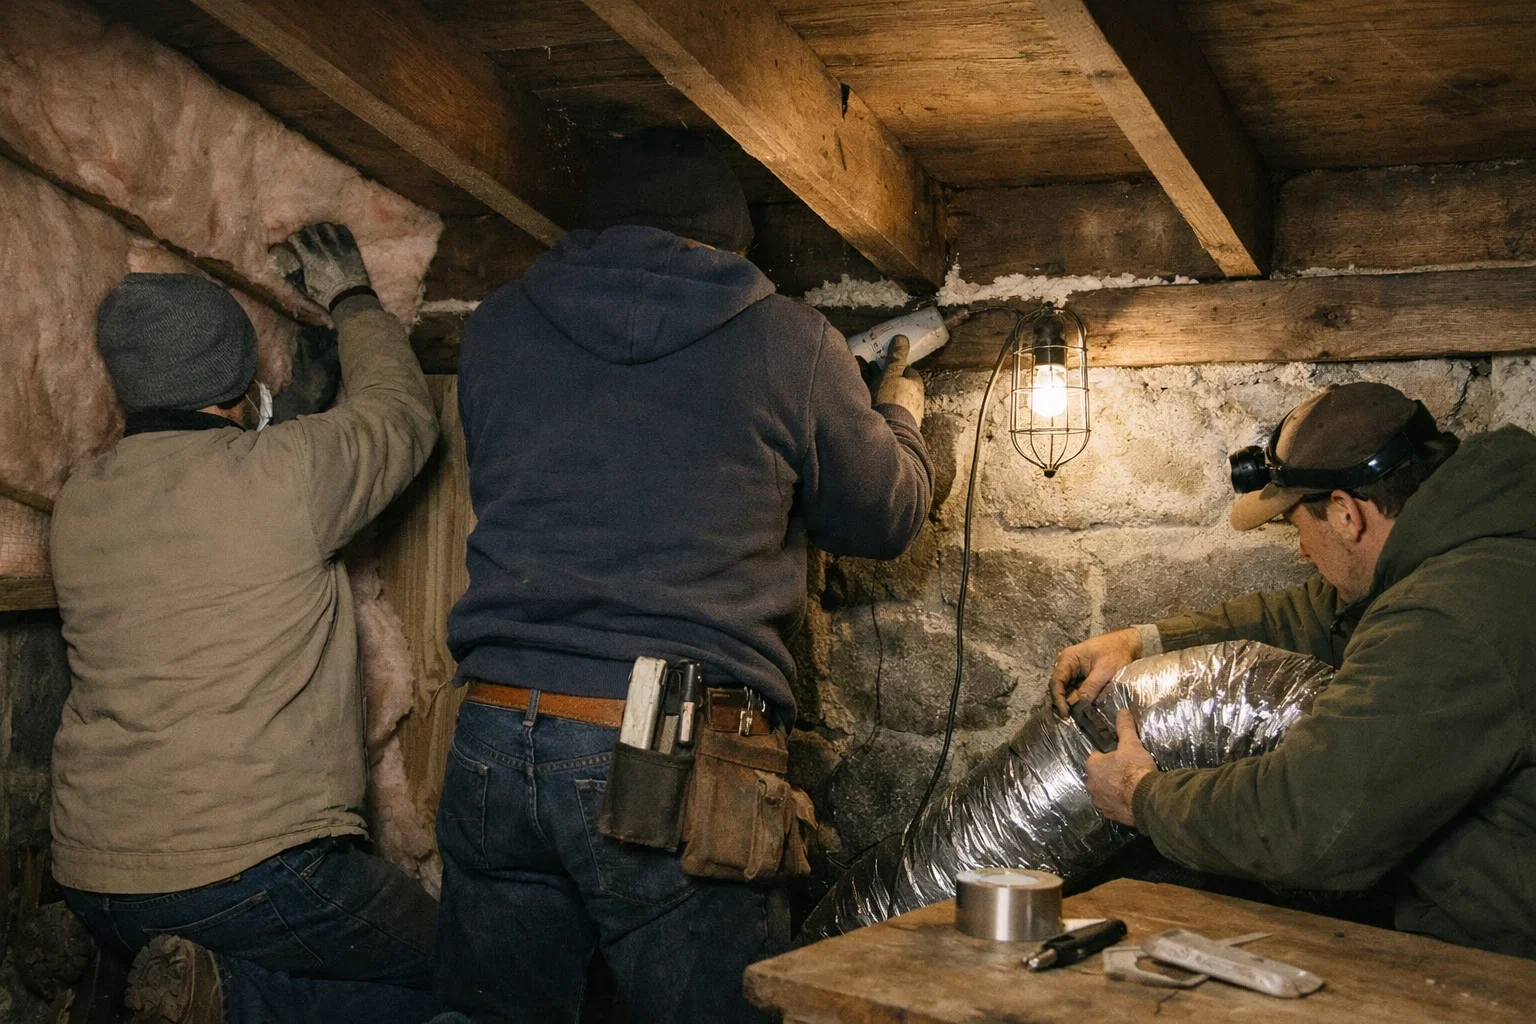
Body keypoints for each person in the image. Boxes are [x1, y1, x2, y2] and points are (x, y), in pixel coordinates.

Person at [434, 127, 933, 1022]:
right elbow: (885, 516)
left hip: (497, 729)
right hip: (667, 739)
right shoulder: (791, 342)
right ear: (729, 240)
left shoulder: (499, 325)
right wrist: (896, 413)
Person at [48, 224, 443, 1023]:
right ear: (239, 371)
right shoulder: (289, 475)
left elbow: (204, 503)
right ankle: (237, 1003)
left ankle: (150, 981)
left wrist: (284, 420)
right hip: (253, 876)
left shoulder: (79, 500)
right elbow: (404, 412)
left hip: (93, 875)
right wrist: (353, 300)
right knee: (472, 971)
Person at [1051, 381, 1536, 957]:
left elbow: (1309, 825)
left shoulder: (1447, 614)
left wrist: (1142, 797)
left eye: (1297, 529)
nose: (1303, 551)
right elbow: (1314, 613)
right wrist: (1142, 640)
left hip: (1504, 962)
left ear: (1344, 511)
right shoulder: (1484, 548)